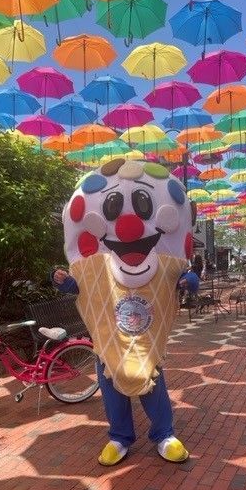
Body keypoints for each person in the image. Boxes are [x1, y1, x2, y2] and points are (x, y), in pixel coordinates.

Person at [56, 158, 199, 467]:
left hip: (146, 336)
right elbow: (82, 288)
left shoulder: (164, 259)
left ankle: (163, 434)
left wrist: (189, 279)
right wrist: (66, 283)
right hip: (108, 336)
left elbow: (184, 280)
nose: (128, 226)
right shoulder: (95, 265)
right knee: (111, 386)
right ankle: (119, 436)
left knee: (151, 381)